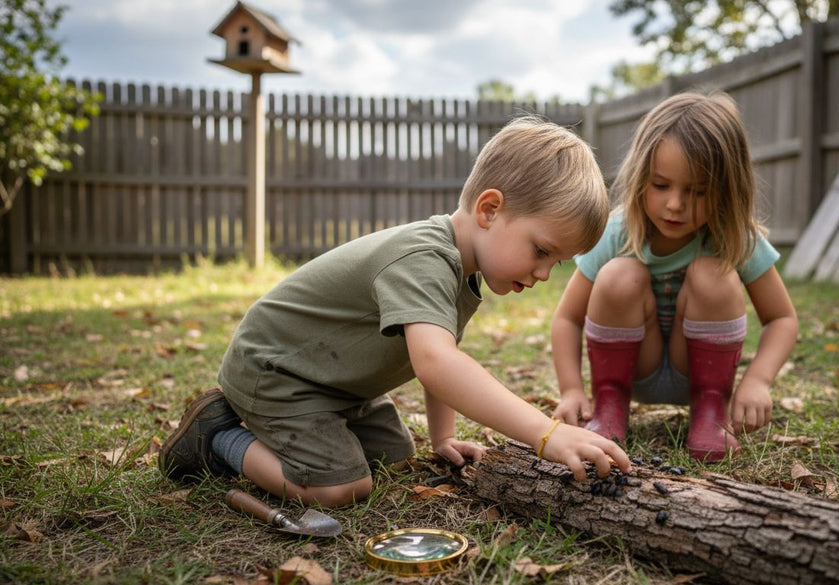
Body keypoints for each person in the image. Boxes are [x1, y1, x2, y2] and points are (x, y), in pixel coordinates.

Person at [159, 116, 632, 506]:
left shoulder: (461, 270)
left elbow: (441, 358)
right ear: (489, 209)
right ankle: (217, 438)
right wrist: (546, 434)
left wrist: (442, 439)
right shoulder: (424, 259)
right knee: (341, 488)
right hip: (276, 371)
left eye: (556, 262)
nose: (545, 273)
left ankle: (291, 435)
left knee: (393, 457)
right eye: (541, 251)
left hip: (335, 383)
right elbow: (437, 363)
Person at [551, 91, 798, 462]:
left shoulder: (734, 237)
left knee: (712, 272)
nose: (675, 204)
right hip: (632, 370)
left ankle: (710, 411)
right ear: (640, 176)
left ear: (727, 189)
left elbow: (782, 319)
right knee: (619, 273)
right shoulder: (616, 232)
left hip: (703, 376)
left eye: (697, 191)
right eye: (661, 185)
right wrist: (572, 390)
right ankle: (609, 405)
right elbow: (567, 318)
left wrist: (758, 381)